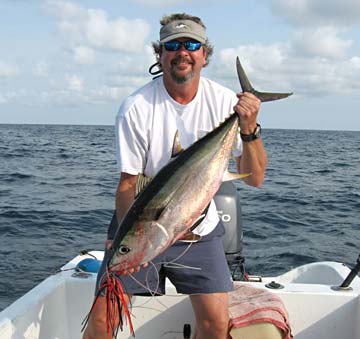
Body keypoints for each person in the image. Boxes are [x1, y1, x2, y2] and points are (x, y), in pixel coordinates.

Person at [83, 12, 267, 339]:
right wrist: (133, 245)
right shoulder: (136, 107)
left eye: (191, 44)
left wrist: (249, 128)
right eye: (173, 45)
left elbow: (253, 178)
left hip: (199, 226)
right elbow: (127, 185)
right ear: (160, 55)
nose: (182, 51)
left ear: (204, 55)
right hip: (143, 217)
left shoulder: (226, 102)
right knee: (101, 321)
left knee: (215, 324)